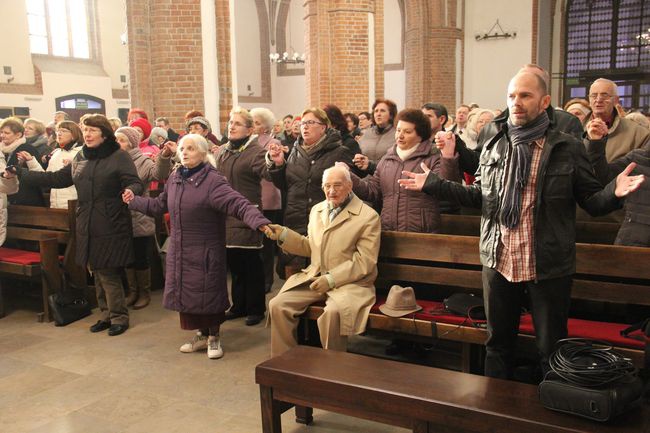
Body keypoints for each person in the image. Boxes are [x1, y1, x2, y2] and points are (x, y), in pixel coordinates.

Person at [398, 71, 644, 379]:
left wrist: (614, 192)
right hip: (499, 259)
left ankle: (549, 411)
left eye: (525, 96)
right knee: (497, 345)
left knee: (550, 348)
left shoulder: (567, 147)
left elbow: (592, 202)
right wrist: (434, 184)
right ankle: (494, 414)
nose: (517, 102)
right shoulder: (495, 144)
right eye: (512, 95)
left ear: (545, 102)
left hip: (547, 264)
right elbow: (481, 197)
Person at [125, 134, 270, 358]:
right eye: (182, 148)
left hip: (205, 250)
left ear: (203, 153)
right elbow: (159, 205)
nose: (184, 152)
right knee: (190, 298)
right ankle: (201, 336)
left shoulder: (213, 180)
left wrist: (259, 222)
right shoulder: (175, 178)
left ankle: (214, 337)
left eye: (191, 149)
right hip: (181, 249)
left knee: (208, 294)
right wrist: (133, 200)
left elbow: (238, 203)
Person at [11, 114, 144, 336]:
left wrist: (131, 191)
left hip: (110, 220)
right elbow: (57, 179)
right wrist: (22, 173)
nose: (88, 134)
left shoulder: (118, 156)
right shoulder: (82, 155)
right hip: (86, 220)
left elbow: (134, 182)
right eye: (85, 130)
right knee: (95, 270)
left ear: (104, 133)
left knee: (108, 270)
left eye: (92, 130)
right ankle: (105, 315)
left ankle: (119, 316)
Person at [266, 165, 381, 356]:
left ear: (350, 186)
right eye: (327, 186)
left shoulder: (367, 217)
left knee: (333, 314)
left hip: (351, 283)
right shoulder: (318, 210)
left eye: (337, 185)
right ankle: (284, 364)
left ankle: (332, 371)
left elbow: (365, 261)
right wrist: (284, 235)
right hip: (315, 277)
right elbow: (311, 246)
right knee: (278, 305)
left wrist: (331, 279)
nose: (331, 191)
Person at [266, 108, 354, 277]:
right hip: (295, 219)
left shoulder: (339, 151)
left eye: (310, 123)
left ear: (324, 127)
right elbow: (286, 185)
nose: (305, 127)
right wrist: (278, 165)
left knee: (322, 276)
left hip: (325, 221)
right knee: (294, 278)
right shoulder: (294, 151)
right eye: (303, 123)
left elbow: (348, 187)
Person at [343, 109, 457, 233]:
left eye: (407, 132)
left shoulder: (432, 157)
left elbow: (447, 188)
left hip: (422, 232)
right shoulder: (388, 159)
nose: (400, 136)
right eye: (398, 130)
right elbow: (373, 192)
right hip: (388, 230)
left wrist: (448, 157)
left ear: (420, 135)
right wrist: (347, 175)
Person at [215, 108, 269, 326]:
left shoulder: (255, 151)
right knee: (235, 265)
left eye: (237, 123)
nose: (232, 126)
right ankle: (238, 306)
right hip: (226, 215)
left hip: (247, 214)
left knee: (251, 265)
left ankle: (256, 309)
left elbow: (268, 171)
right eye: (230, 122)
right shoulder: (223, 151)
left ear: (250, 129)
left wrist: (274, 162)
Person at [115, 126, 172, 310]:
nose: (118, 143)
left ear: (131, 143)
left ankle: (144, 293)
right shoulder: (114, 160)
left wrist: (163, 158)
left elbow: (160, 174)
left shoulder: (142, 161)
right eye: (116, 139)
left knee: (140, 256)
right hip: (120, 216)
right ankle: (132, 292)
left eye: (122, 140)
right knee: (126, 256)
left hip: (139, 215)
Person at [251, 107, 283, 293]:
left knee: (267, 242)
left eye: (256, 122)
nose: (253, 126)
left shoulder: (272, 142)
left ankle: (267, 279)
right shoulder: (248, 143)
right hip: (252, 196)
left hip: (268, 196)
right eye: (252, 122)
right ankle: (256, 278)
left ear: (265, 127)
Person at [17, 121, 83, 209]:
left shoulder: (80, 153)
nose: (59, 133)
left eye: (63, 131)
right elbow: (47, 178)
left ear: (74, 134)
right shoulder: (56, 153)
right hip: (55, 204)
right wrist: (31, 161)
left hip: (74, 203)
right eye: (58, 131)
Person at [584, 78, 650, 161]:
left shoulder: (639, 134)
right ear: (589, 100)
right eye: (594, 95)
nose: (598, 100)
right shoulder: (574, 128)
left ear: (616, 100)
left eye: (605, 95)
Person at [0, 117, 45, 207]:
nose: (2, 135)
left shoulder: (27, 149)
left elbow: (37, 174)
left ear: (18, 135)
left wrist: (21, 164)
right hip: (6, 197)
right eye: (1, 132)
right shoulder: (2, 150)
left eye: (7, 133)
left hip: (26, 198)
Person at [357, 99, 397, 175]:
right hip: (367, 178)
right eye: (376, 111)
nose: (378, 114)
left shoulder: (397, 134)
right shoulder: (367, 133)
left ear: (391, 115)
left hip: (388, 176)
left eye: (382, 111)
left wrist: (371, 165)